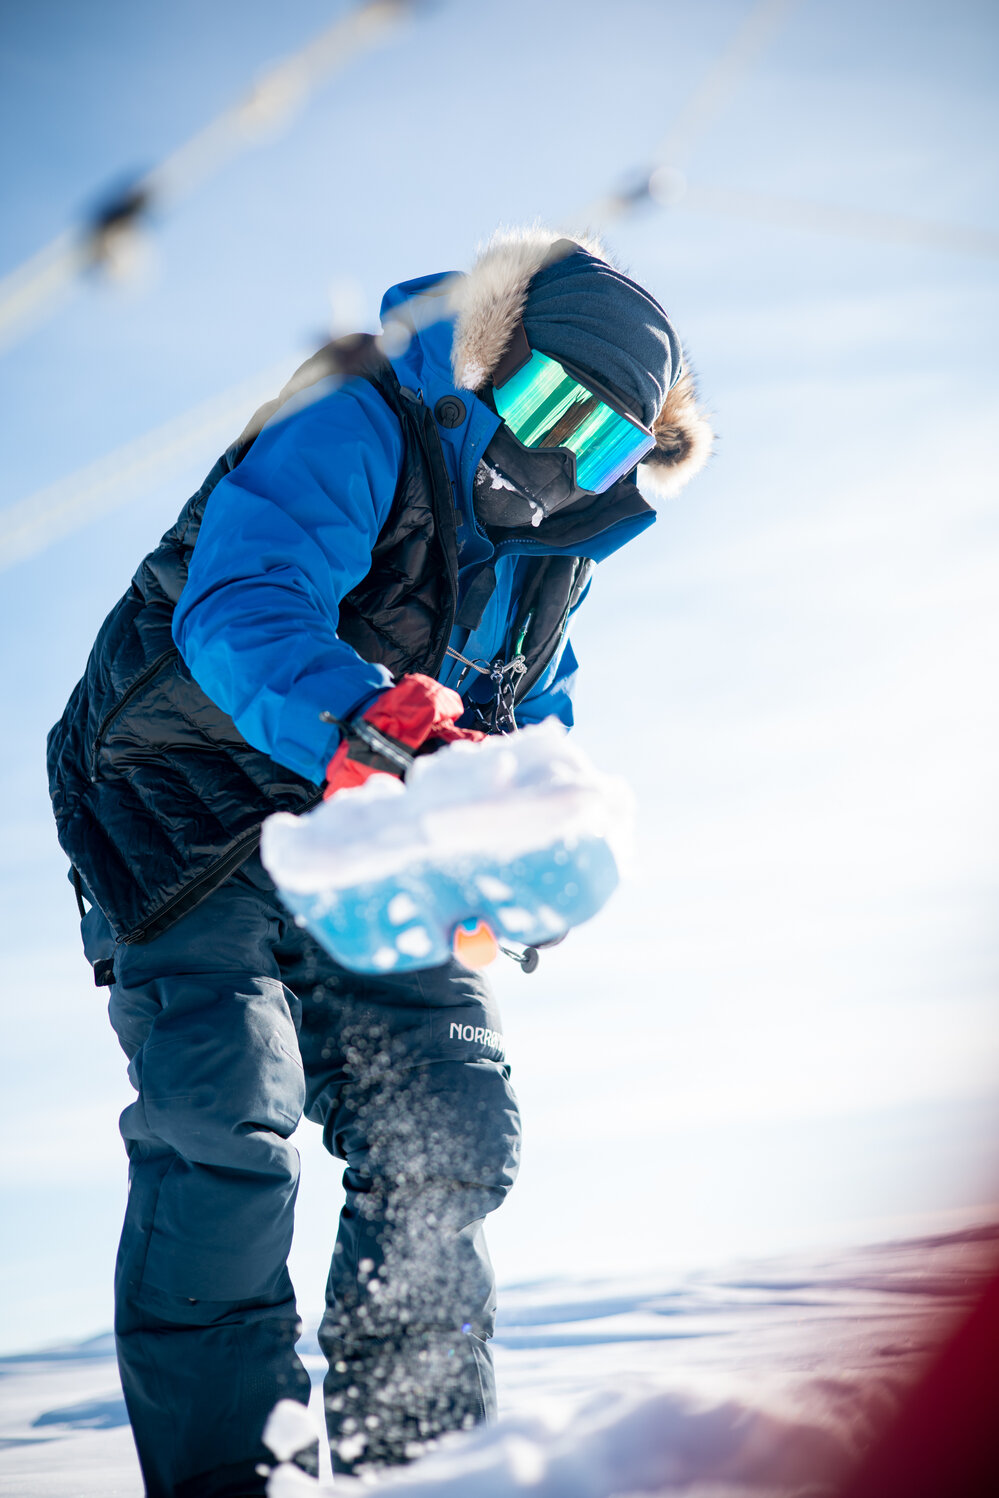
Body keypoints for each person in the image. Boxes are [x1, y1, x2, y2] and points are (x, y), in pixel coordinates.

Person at [47, 226, 712, 1497]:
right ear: (490, 354)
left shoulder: (547, 560)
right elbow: (242, 604)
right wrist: (363, 714)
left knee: (449, 1118)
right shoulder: (358, 420)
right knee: (224, 1123)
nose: (566, 454)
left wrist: (527, 836)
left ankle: (425, 1467)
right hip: (184, 799)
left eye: (610, 441)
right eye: (549, 402)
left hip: (372, 824)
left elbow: (528, 715)